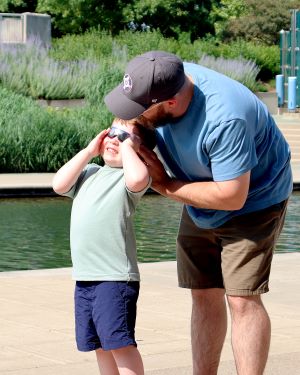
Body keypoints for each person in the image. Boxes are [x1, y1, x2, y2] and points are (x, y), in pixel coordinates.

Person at [104, 51, 293, 375]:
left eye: (140, 109)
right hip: (197, 193)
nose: (132, 113)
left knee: (241, 299)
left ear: (172, 104)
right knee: (204, 292)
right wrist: (131, 133)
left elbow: (232, 195)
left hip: (253, 201)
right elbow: (138, 122)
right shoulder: (161, 76)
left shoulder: (225, 116)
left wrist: (165, 186)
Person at [52, 117, 156, 375]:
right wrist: (89, 151)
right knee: (99, 344)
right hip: (86, 277)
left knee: (120, 344)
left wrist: (129, 148)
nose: (114, 140)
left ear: (137, 150)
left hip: (115, 278)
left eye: (124, 137)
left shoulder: (129, 178)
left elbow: (137, 179)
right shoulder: (90, 173)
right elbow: (59, 184)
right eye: (112, 133)